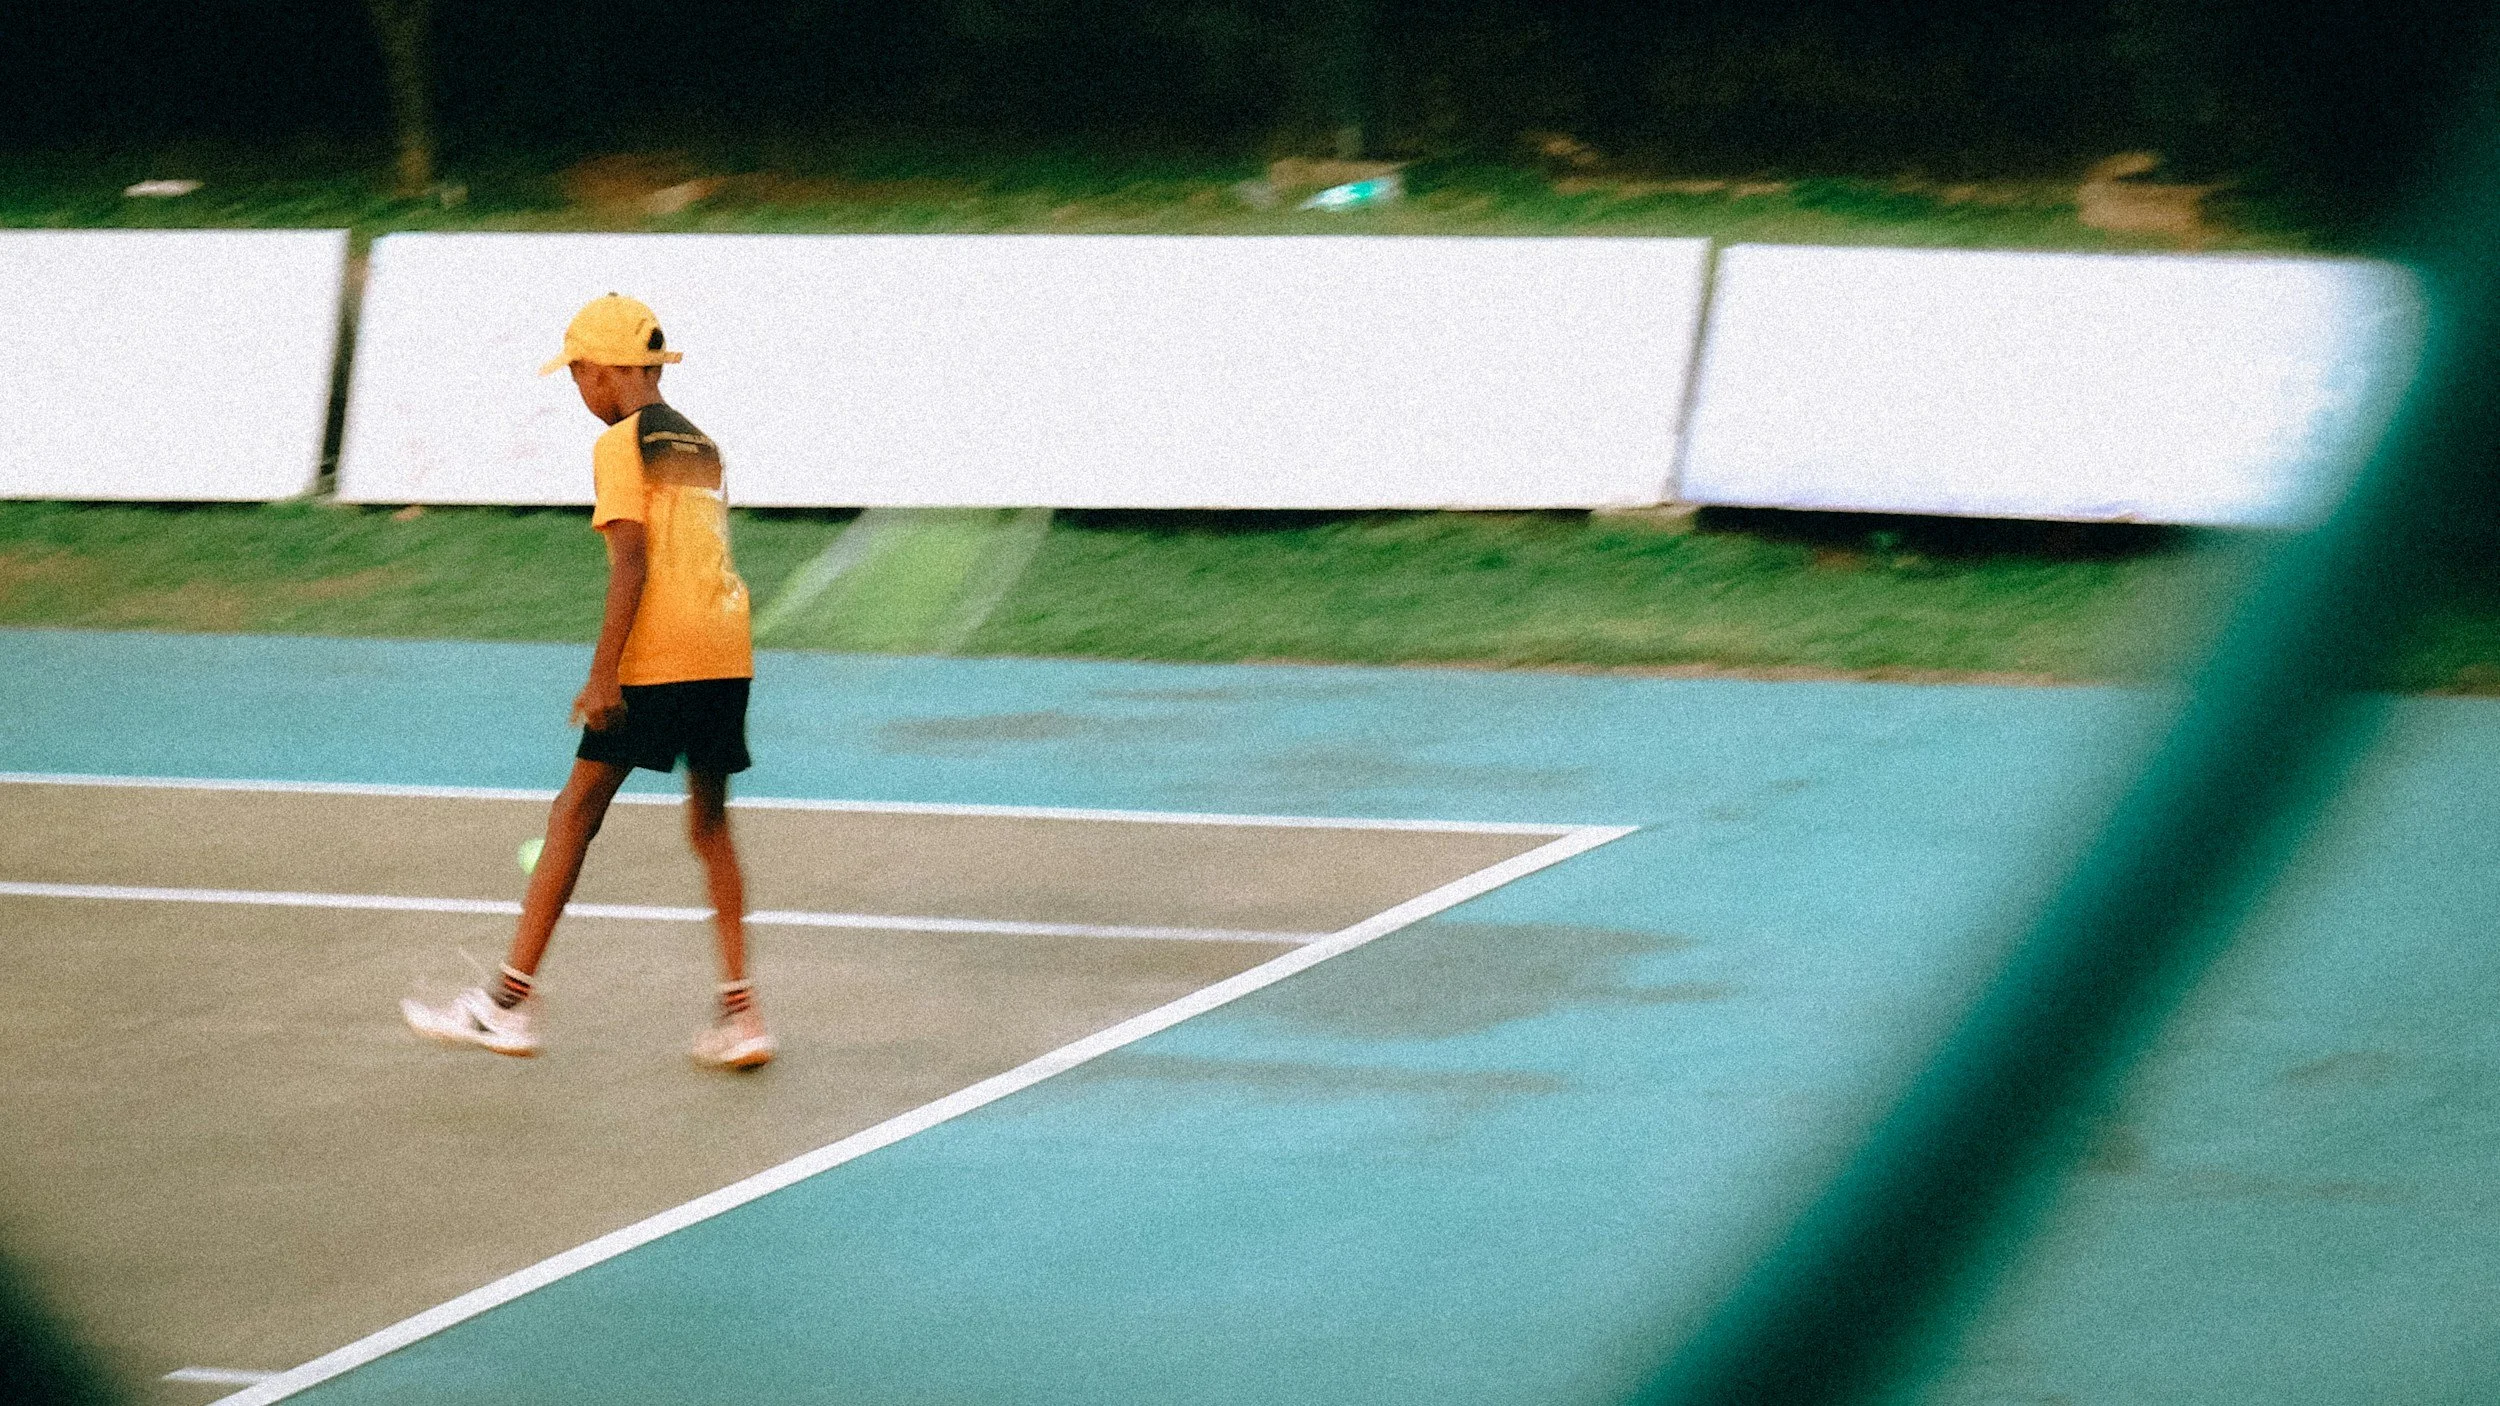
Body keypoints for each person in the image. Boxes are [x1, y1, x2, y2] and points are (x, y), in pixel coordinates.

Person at [402, 293, 775, 1070]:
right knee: (710, 829)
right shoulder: (701, 443)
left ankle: (506, 1006)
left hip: (659, 654)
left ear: (605, 370)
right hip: (725, 650)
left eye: (578, 375)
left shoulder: (620, 444)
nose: (580, 392)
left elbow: (633, 561)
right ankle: (744, 1017)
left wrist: (603, 674)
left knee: (573, 814)